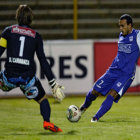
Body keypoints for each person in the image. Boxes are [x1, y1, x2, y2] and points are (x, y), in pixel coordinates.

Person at [0, 5, 65, 132]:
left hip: (8, 79)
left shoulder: (8, 31)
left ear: (17, 17)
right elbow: (42, 60)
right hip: (27, 81)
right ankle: (47, 122)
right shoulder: (36, 36)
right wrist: (53, 83)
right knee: (43, 100)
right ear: (31, 19)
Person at [80, 14, 140, 122]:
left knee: (111, 95)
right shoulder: (121, 35)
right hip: (113, 70)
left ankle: (95, 118)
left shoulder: (138, 36)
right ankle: (83, 107)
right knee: (94, 91)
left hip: (126, 74)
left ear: (130, 25)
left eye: (123, 26)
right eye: (119, 26)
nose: (121, 29)